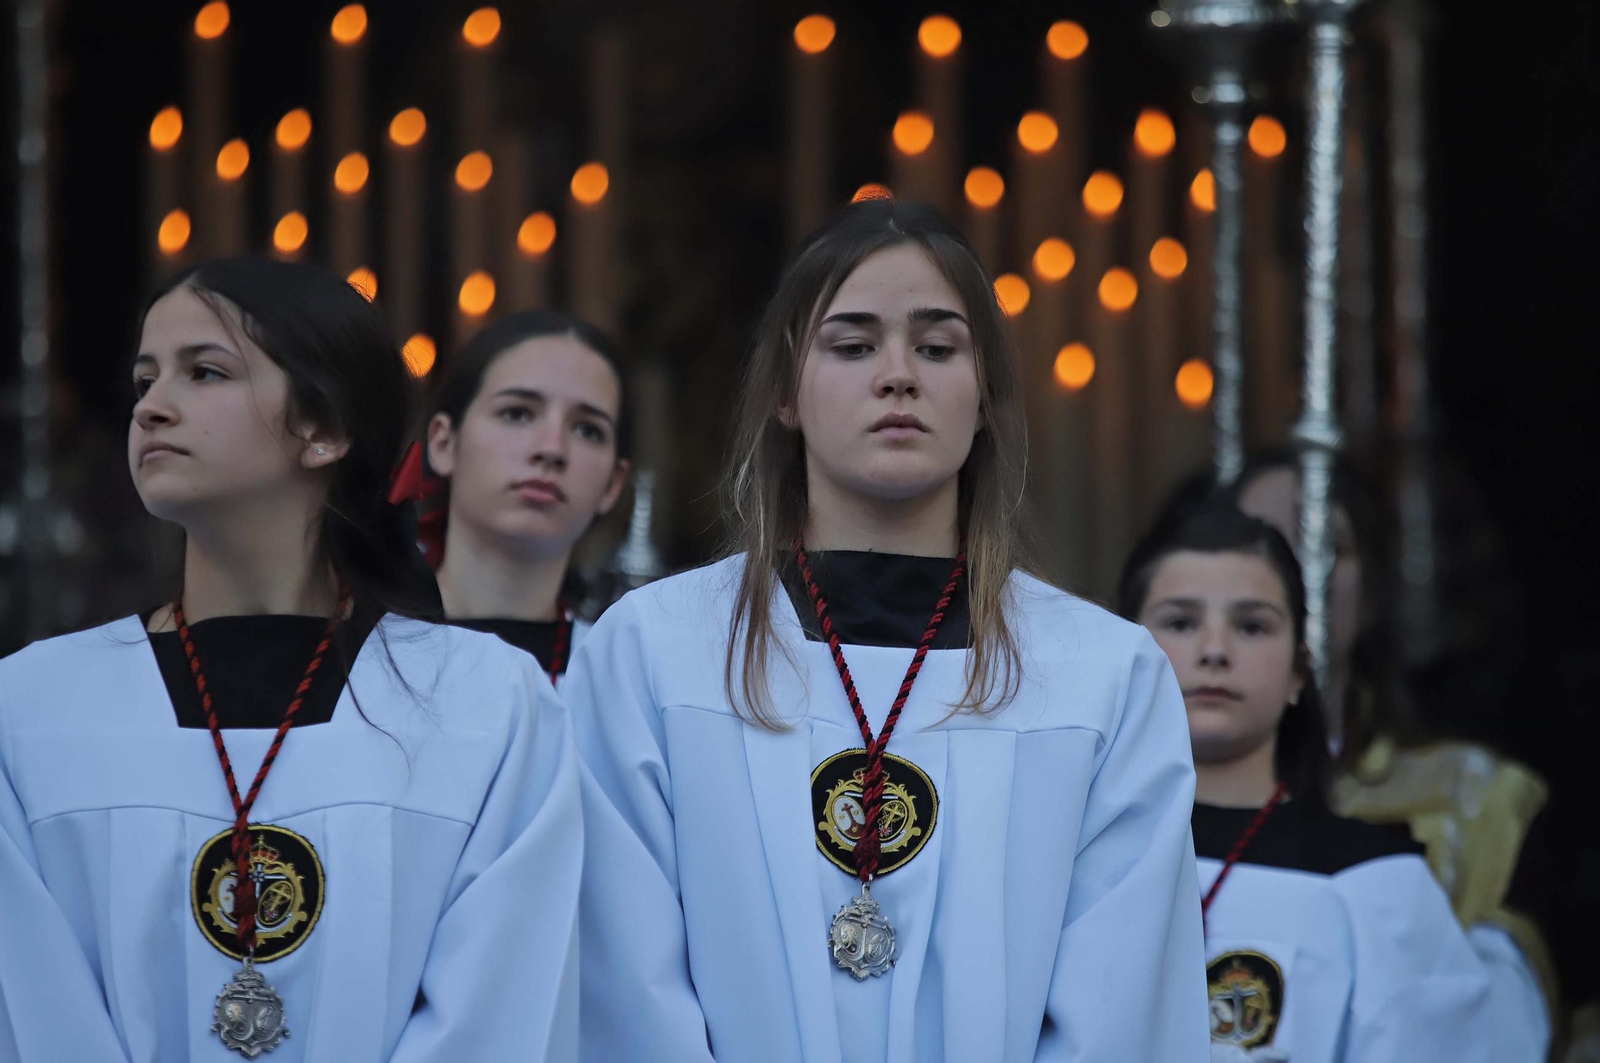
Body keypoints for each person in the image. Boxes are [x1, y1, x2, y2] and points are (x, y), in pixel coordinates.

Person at [565, 200, 1210, 1062]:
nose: (898, 375)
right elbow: (624, 989)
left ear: (983, 397)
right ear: (788, 393)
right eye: (854, 344)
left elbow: (1121, 1008)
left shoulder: (1102, 675)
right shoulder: (653, 653)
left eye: (937, 347)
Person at [0, 259, 581, 1061]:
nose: (153, 408)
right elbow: (31, 1009)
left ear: (323, 429)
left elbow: (501, 1014)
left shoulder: (483, 704)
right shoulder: (33, 707)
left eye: (205, 371)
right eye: (144, 380)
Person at [1120, 502, 1492, 1062]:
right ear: (1123, 655)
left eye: (1251, 626)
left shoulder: (1372, 882)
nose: (1214, 651)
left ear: (1299, 670)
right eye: (1180, 622)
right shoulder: (1070, 854)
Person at [1232, 451, 1556, 1060]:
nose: (1294, 573)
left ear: (1375, 588)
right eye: (1256, 545)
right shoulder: (1147, 802)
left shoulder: (1476, 799)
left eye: (1328, 546)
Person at [415, 311, 631, 687]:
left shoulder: (622, 682)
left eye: (587, 430)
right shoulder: (351, 655)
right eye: (516, 413)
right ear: (444, 443)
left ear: (613, 484)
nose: (551, 449)